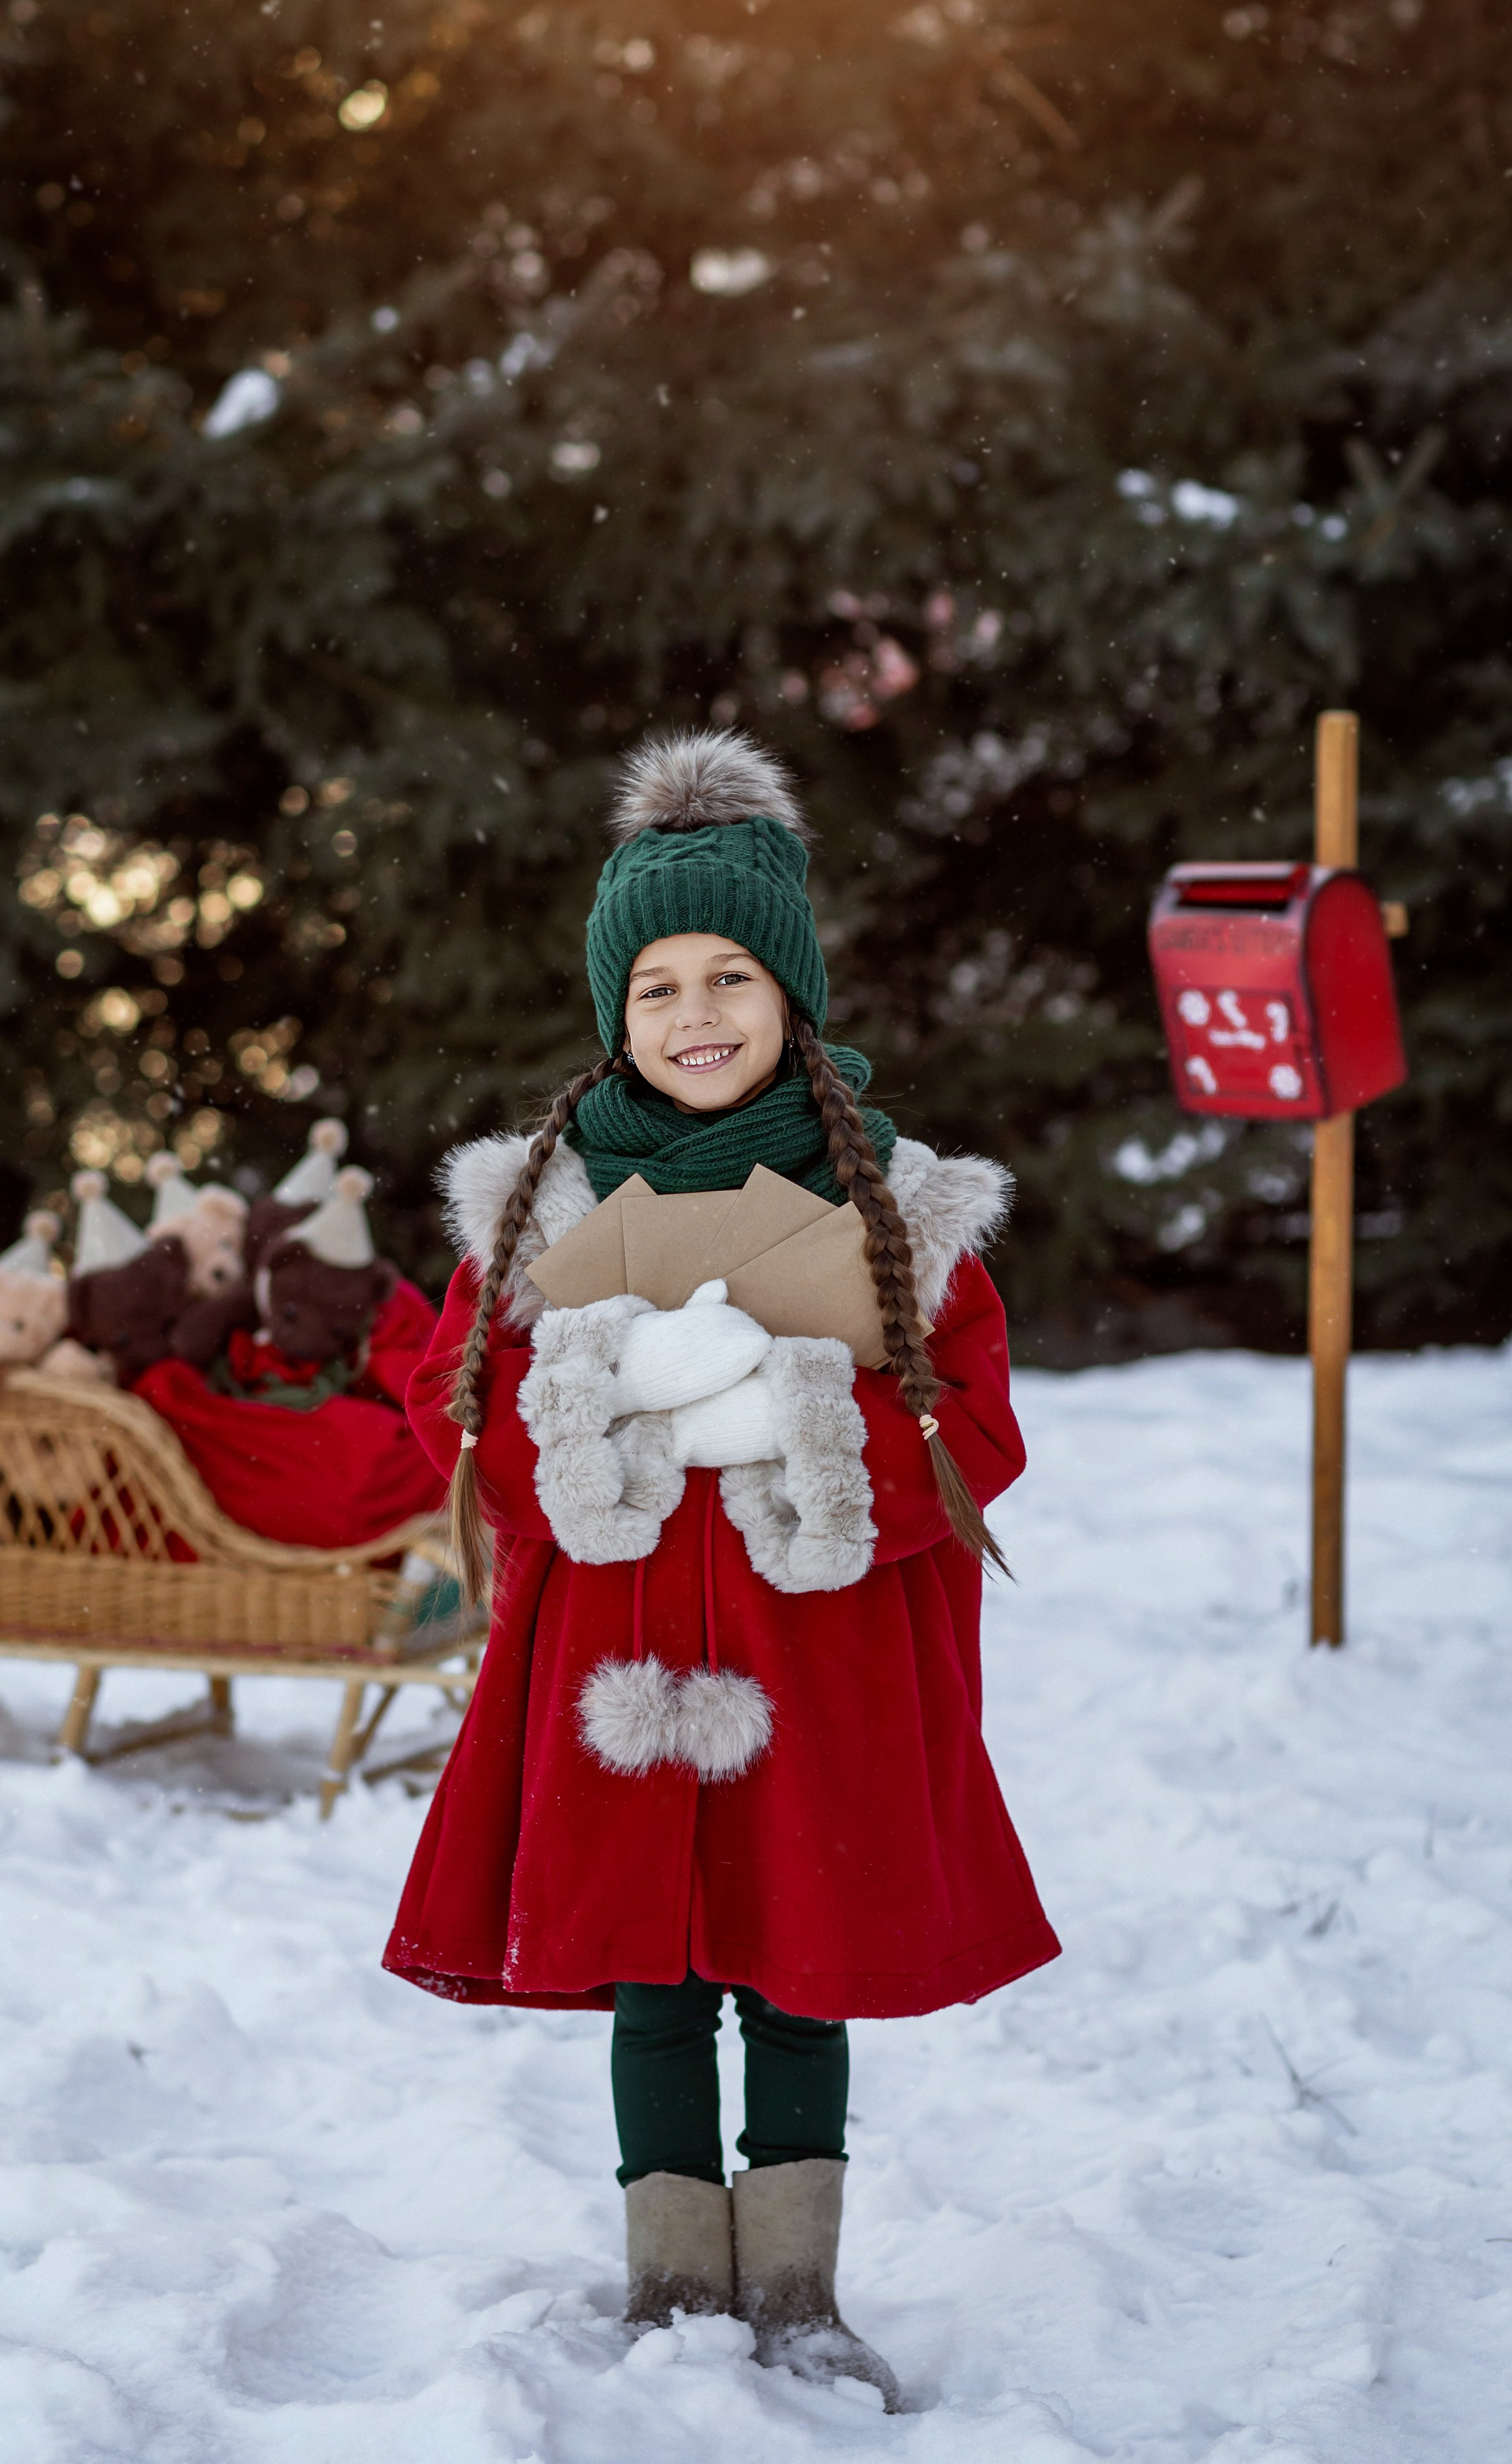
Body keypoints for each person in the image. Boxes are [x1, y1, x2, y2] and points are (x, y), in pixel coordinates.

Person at [384, 729, 1057, 2411]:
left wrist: (794, 1421)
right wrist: (599, 1417)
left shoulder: (886, 1201)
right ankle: (673, 2276)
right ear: (615, 1011)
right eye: (658, 984)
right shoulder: (544, 1205)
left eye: (732, 975)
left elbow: (970, 1425)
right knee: (654, 1964)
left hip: (805, 1648)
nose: (695, 1012)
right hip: (612, 1655)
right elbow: (447, 1411)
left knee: (794, 1950)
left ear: (793, 992)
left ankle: (801, 2287)